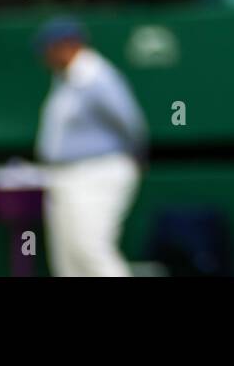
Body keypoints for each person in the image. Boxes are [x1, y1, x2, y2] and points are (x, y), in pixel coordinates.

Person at [34, 16, 147, 276]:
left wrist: (132, 158)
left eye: (49, 49)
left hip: (97, 174)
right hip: (65, 177)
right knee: (67, 260)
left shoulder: (96, 76)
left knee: (90, 249)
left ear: (68, 45)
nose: (46, 57)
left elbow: (131, 123)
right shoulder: (66, 78)